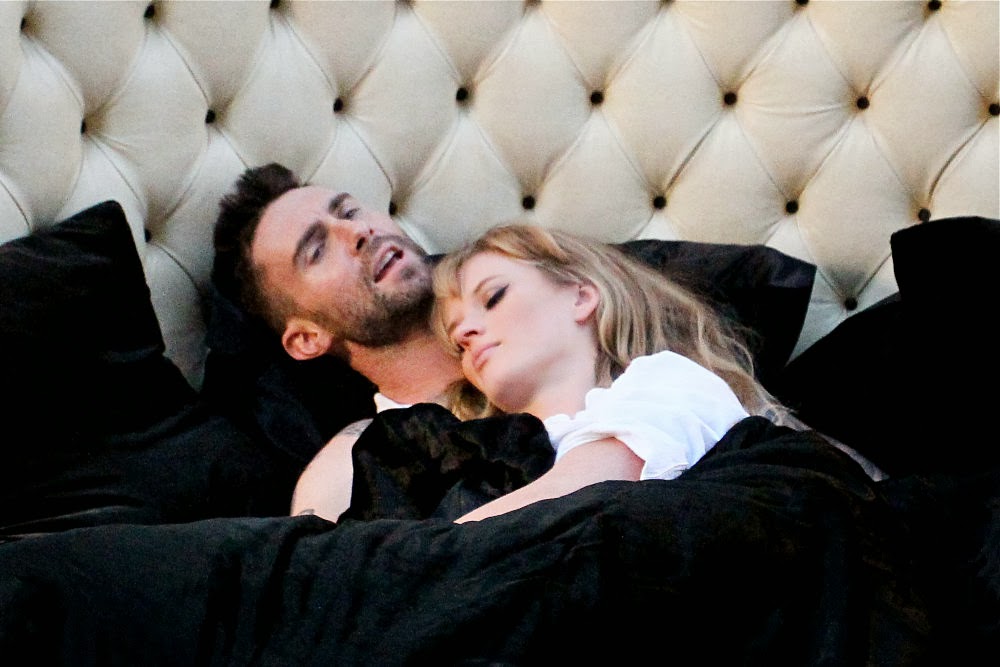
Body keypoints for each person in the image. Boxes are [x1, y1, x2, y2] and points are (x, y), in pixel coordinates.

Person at [431, 224, 787, 522]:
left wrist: (422, 555)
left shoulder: (670, 382)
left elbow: (586, 490)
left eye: (493, 298)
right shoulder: (475, 457)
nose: (465, 333)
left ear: (581, 297)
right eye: (458, 342)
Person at [212, 163, 467, 519]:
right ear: (306, 338)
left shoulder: (535, 299)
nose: (358, 231)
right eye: (317, 250)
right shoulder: (350, 477)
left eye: (349, 212)